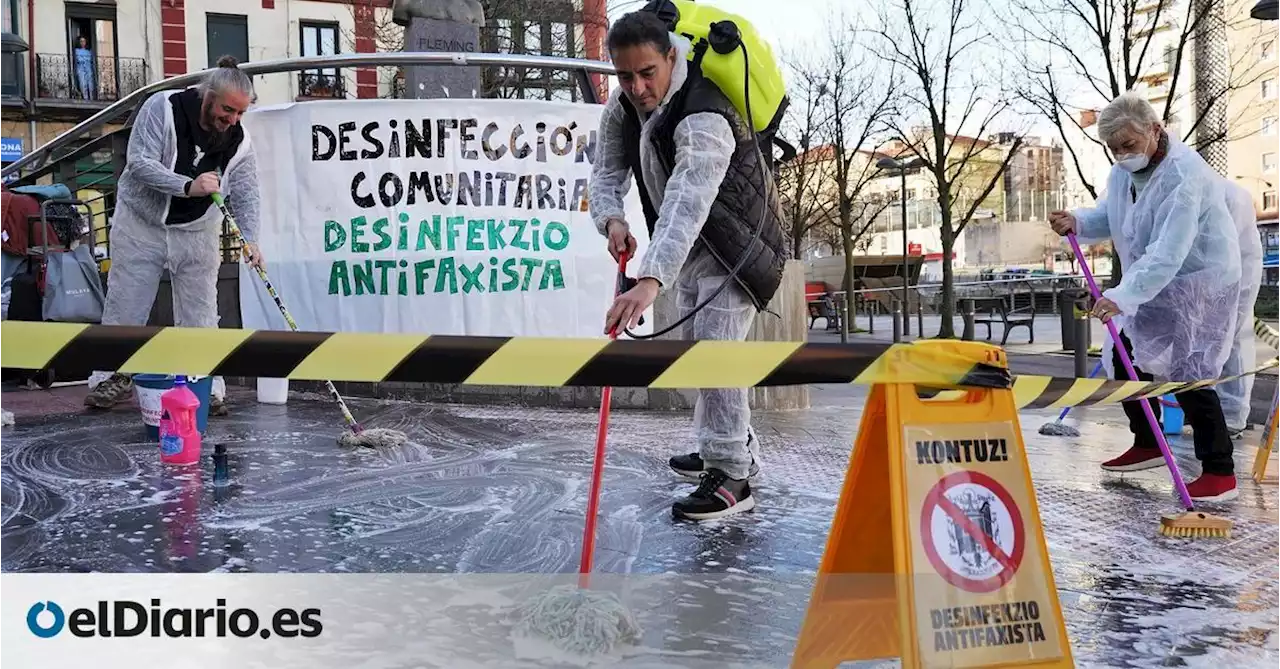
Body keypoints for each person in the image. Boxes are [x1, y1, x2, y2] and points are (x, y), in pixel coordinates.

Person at [589, 11, 789, 521]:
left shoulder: (704, 114)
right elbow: (607, 166)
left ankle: (733, 479)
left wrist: (649, 280)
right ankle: (726, 449)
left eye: (647, 73)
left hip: (739, 244)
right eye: (624, 75)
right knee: (699, 348)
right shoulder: (625, 104)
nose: (636, 87)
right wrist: (611, 219)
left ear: (671, 56)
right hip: (694, 245)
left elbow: (686, 200)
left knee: (716, 349)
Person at [1048, 92, 1242, 502]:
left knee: (1189, 372)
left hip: (1200, 280)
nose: (1121, 154)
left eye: (1129, 145)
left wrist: (1123, 295)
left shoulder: (1185, 175)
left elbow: (1170, 250)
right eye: (1114, 148)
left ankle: (1219, 471)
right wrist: (1078, 221)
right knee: (1125, 356)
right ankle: (1149, 442)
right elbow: (1112, 215)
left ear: (1154, 130)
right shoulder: (1123, 173)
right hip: (1153, 279)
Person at [84, 55, 264, 413]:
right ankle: (111, 377)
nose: (232, 120)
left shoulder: (239, 141)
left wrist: (251, 238)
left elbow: (246, 191)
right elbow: (139, 163)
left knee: (201, 312)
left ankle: (204, 382)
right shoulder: (161, 108)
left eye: (240, 113)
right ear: (207, 95)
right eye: (227, 110)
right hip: (141, 223)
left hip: (197, 229)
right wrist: (186, 185)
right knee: (126, 303)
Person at [1218, 180, 1263, 437]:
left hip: (1232, 292)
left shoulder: (1232, 198)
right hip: (1222, 291)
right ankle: (1223, 418)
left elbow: (1247, 258)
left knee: (1233, 349)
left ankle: (1232, 418)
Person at [74, 36, 93, 100]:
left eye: (84, 41)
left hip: (88, 68)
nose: (83, 43)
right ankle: (85, 98)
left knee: (90, 83)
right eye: (81, 41)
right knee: (83, 83)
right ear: (79, 42)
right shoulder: (76, 50)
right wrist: (85, 59)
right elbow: (79, 59)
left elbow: (90, 59)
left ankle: (92, 97)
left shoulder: (89, 51)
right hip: (81, 68)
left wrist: (84, 59)